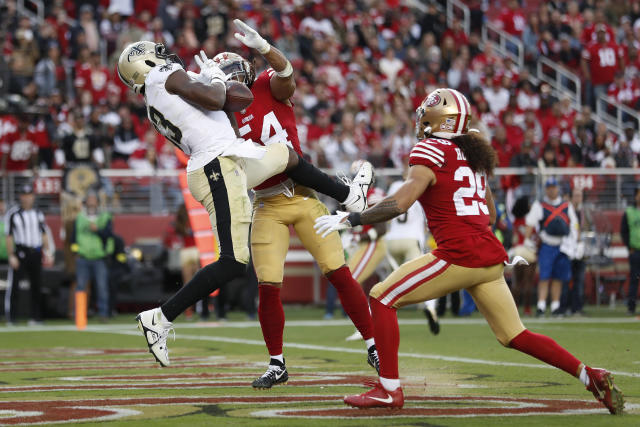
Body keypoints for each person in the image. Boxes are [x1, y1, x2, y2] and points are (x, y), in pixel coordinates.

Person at [314, 88, 624, 415]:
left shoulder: (430, 150)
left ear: (438, 120)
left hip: (459, 253)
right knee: (514, 334)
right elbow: (490, 215)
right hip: (489, 255)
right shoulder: (472, 156)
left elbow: (401, 202)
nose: (421, 121)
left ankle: (389, 390)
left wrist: (353, 218)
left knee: (381, 296)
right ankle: (589, 375)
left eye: (425, 115)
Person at [116, 41, 373, 367]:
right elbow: (216, 98)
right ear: (147, 62)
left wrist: (214, 86)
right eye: (157, 52)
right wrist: (216, 82)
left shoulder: (154, 94)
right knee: (233, 262)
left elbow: (218, 114)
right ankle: (161, 317)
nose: (165, 53)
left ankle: (349, 195)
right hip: (215, 165)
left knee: (286, 155)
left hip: (225, 157)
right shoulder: (164, 75)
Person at [216, 20, 378, 388]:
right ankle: (277, 363)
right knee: (268, 283)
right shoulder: (219, 115)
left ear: (242, 74)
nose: (221, 86)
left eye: (225, 78)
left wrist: (263, 45)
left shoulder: (266, 85)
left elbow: (286, 70)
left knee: (337, 272)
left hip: (302, 193)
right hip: (266, 203)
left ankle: (373, 345)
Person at [385, 171, 439, 335]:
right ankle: (430, 308)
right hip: (411, 239)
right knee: (425, 277)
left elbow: (386, 210)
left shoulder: (395, 186)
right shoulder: (421, 186)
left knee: (388, 283)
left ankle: (382, 315)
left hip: (392, 240)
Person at [524, 177, 578, 317]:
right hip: (547, 245)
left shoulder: (567, 206)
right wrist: (527, 239)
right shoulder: (540, 205)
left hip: (563, 245)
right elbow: (530, 222)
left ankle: (555, 305)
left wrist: (574, 242)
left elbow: (574, 225)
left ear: (558, 188)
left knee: (558, 277)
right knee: (544, 276)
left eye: (553, 187)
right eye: (549, 187)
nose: (551, 190)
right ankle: (541, 305)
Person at [4, 184, 53, 325]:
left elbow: (43, 234)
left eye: (29, 195)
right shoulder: (13, 214)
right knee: (14, 286)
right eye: (24, 195)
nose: (27, 198)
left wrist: (47, 251)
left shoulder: (38, 213)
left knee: (37, 286)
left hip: (36, 252)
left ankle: (35, 317)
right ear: (21, 197)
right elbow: (9, 236)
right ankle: (11, 318)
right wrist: (11, 255)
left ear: (33, 196)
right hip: (20, 252)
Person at [70, 191, 112, 321]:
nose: (91, 202)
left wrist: (97, 230)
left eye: (94, 200)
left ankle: (103, 313)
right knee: (81, 287)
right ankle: (80, 315)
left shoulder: (105, 217)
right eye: (89, 199)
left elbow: (109, 235)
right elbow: (73, 238)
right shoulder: (80, 218)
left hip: (99, 257)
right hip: (83, 257)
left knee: (102, 287)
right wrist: (76, 251)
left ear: (98, 202)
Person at [621, 185, 640, 315]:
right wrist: (629, 247)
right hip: (635, 251)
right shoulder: (629, 212)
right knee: (634, 279)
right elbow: (624, 232)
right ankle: (631, 306)